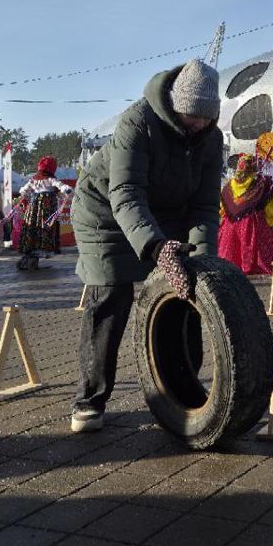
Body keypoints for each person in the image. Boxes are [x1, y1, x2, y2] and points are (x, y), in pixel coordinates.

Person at [69, 59, 223, 433]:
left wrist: (202, 262)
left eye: (206, 118)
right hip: (105, 213)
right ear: (175, 106)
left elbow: (204, 206)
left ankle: (180, 391)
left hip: (167, 212)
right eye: (192, 117)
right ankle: (90, 400)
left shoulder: (211, 138)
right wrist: (156, 247)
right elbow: (125, 193)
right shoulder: (138, 122)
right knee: (111, 295)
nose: (199, 125)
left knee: (186, 290)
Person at [217, 154, 273, 275]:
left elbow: (222, 208)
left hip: (230, 226)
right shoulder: (261, 183)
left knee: (227, 256)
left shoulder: (228, 186)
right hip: (254, 225)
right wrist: (269, 219)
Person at [14, 156, 73, 270]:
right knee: (44, 228)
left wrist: (26, 195)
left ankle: (28, 258)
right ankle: (33, 260)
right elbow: (61, 186)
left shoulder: (34, 179)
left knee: (33, 229)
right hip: (46, 209)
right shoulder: (50, 179)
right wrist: (67, 190)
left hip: (34, 208)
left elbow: (24, 190)